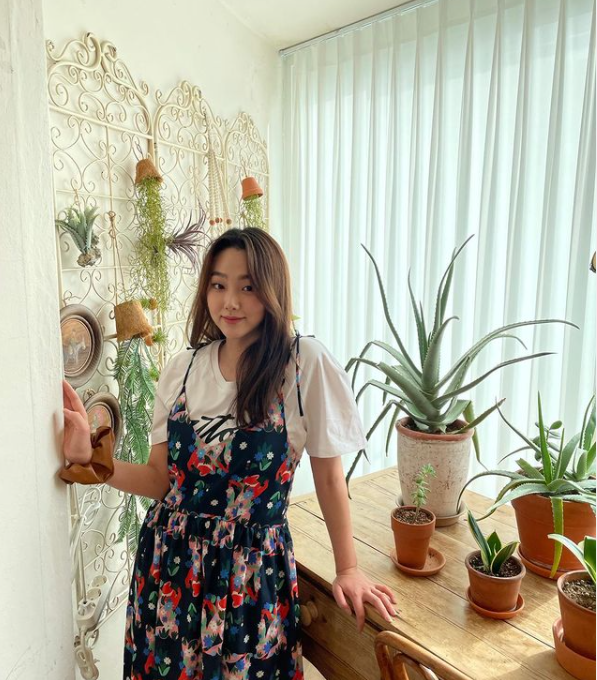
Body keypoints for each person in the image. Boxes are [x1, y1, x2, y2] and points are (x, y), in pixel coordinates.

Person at [61, 227, 397, 680]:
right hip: (168, 571)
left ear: (273, 291)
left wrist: (349, 568)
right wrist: (92, 458)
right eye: (219, 285)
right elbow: (160, 480)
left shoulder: (302, 365)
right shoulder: (181, 370)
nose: (231, 302)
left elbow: (330, 477)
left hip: (250, 579)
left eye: (248, 287)